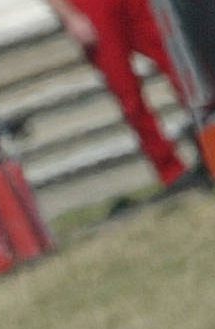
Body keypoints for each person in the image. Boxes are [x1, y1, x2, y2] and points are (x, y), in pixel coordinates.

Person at [40, 0, 202, 190]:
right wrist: (70, 16)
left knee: (177, 63)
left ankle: (213, 140)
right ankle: (170, 169)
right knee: (127, 92)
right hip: (91, 7)